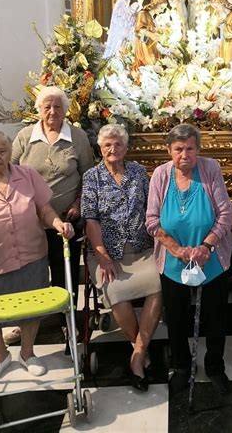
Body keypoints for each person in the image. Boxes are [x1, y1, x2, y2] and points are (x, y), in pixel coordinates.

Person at [0, 130, 74, 382]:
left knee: (33, 307)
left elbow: (44, 209)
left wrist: (58, 223)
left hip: (32, 256)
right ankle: (0, 355)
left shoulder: (28, 176)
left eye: (2, 151)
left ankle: (27, 353)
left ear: (10, 152)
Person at [146, 124, 232, 395]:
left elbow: (225, 215)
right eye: (178, 149)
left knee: (215, 316)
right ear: (169, 150)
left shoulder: (210, 169)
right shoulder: (161, 175)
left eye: (190, 148)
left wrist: (206, 246)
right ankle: (181, 365)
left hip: (211, 257)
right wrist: (174, 248)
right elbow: (151, 220)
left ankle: (215, 366)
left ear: (198, 149)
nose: (185, 154)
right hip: (173, 260)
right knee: (176, 316)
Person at [81, 124, 162, 392]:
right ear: (100, 149)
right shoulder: (92, 177)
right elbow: (90, 219)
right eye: (107, 145)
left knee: (159, 284)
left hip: (141, 248)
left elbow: (153, 207)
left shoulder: (139, 172)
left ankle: (138, 352)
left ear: (126, 148)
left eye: (118, 144)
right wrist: (102, 255)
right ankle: (141, 349)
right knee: (115, 289)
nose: (112, 149)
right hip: (106, 251)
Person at [10, 86, 94, 341]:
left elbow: (88, 176)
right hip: (29, 222)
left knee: (64, 272)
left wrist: (78, 204)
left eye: (58, 106)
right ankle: (24, 321)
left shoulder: (77, 137)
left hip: (66, 221)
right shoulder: (25, 136)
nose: (52, 111)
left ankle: (66, 318)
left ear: (66, 110)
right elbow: (8, 170)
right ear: (39, 110)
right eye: (47, 106)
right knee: (29, 274)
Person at [134, 0, 167, 68]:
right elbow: (138, 30)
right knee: (149, 68)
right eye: (161, 8)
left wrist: (161, 32)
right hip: (145, 47)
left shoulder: (152, 18)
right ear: (155, 5)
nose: (162, 11)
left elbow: (154, 32)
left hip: (152, 48)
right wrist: (151, 35)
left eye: (164, 9)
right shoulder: (142, 13)